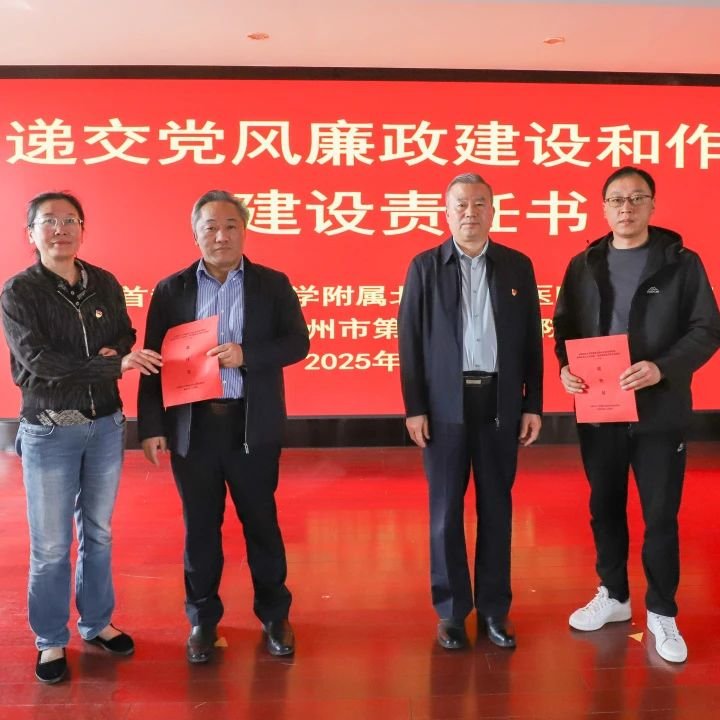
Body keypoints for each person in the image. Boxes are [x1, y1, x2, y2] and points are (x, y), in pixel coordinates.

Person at [553, 166, 720, 663]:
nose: (626, 207)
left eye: (636, 198)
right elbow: (564, 326)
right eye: (616, 199)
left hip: (659, 411)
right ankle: (614, 595)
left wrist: (661, 368)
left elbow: (707, 329)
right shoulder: (584, 264)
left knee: (660, 515)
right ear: (604, 208)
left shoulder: (680, 263)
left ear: (652, 205)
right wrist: (565, 368)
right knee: (604, 506)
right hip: (599, 407)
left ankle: (662, 611)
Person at [137, 189, 309, 662]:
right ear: (195, 234)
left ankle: (274, 615)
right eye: (210, 227)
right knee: (200, 529)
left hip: (251, 426)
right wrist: (151, 426)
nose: (221, 236)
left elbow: (298, 343)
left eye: (230, 226)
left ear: (244, 230)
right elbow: (153, 360)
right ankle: (202, 620)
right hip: (193, 428)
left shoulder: (272, 284)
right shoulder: (172, 290)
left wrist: (246, 355)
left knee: (261, 523)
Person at [1, 191, 163, 684]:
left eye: (70, 220)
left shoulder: (104, 282)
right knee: (51, 545)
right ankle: (51, 638)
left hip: (106, 426)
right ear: (31, 234)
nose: (61, 229)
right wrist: (109, 364)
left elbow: (125, 333)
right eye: (49, 221)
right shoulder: (19, 292)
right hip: (51, 429)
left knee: (99, 532)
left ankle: (96, 622)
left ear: (82, 229)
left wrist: (116, 351)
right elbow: (38, 363)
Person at [398, 172, 543, 650]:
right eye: (461, 204)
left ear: (493, 211)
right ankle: (452, 612)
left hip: (500, 402)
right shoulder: (425, 267)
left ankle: (495, 610)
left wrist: (533, 404)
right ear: (446, 212)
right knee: (445, 512)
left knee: (497, 507)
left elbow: (532, 341)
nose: (470, 212)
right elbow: (409, 343)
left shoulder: (517, 266)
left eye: (480, 203)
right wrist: (415, 407)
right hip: (444, 406)